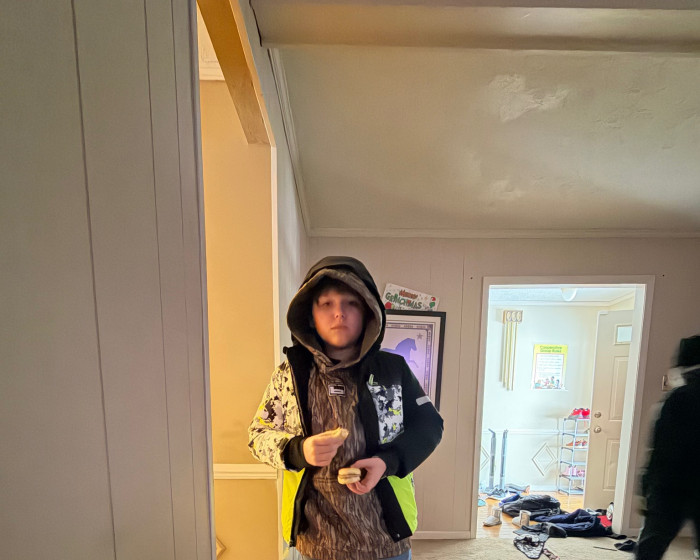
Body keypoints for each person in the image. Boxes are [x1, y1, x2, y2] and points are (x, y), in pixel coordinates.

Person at [248, 256, 444, 560]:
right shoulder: (290, 375)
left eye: (351, 303)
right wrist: (299, 450)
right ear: (310, 315)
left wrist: (386, 462)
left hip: (385, 538)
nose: (339, 312)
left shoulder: (394, 370)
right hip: (314, 541)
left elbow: (430, 426)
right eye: (326, 304)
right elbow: (258, 436)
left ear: (368, 312)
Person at [635, 335, 700, 560]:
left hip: (671, 486)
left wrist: (646, 487)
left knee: (651, 546)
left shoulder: (678, 399)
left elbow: (662, 448)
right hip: (678, 484)